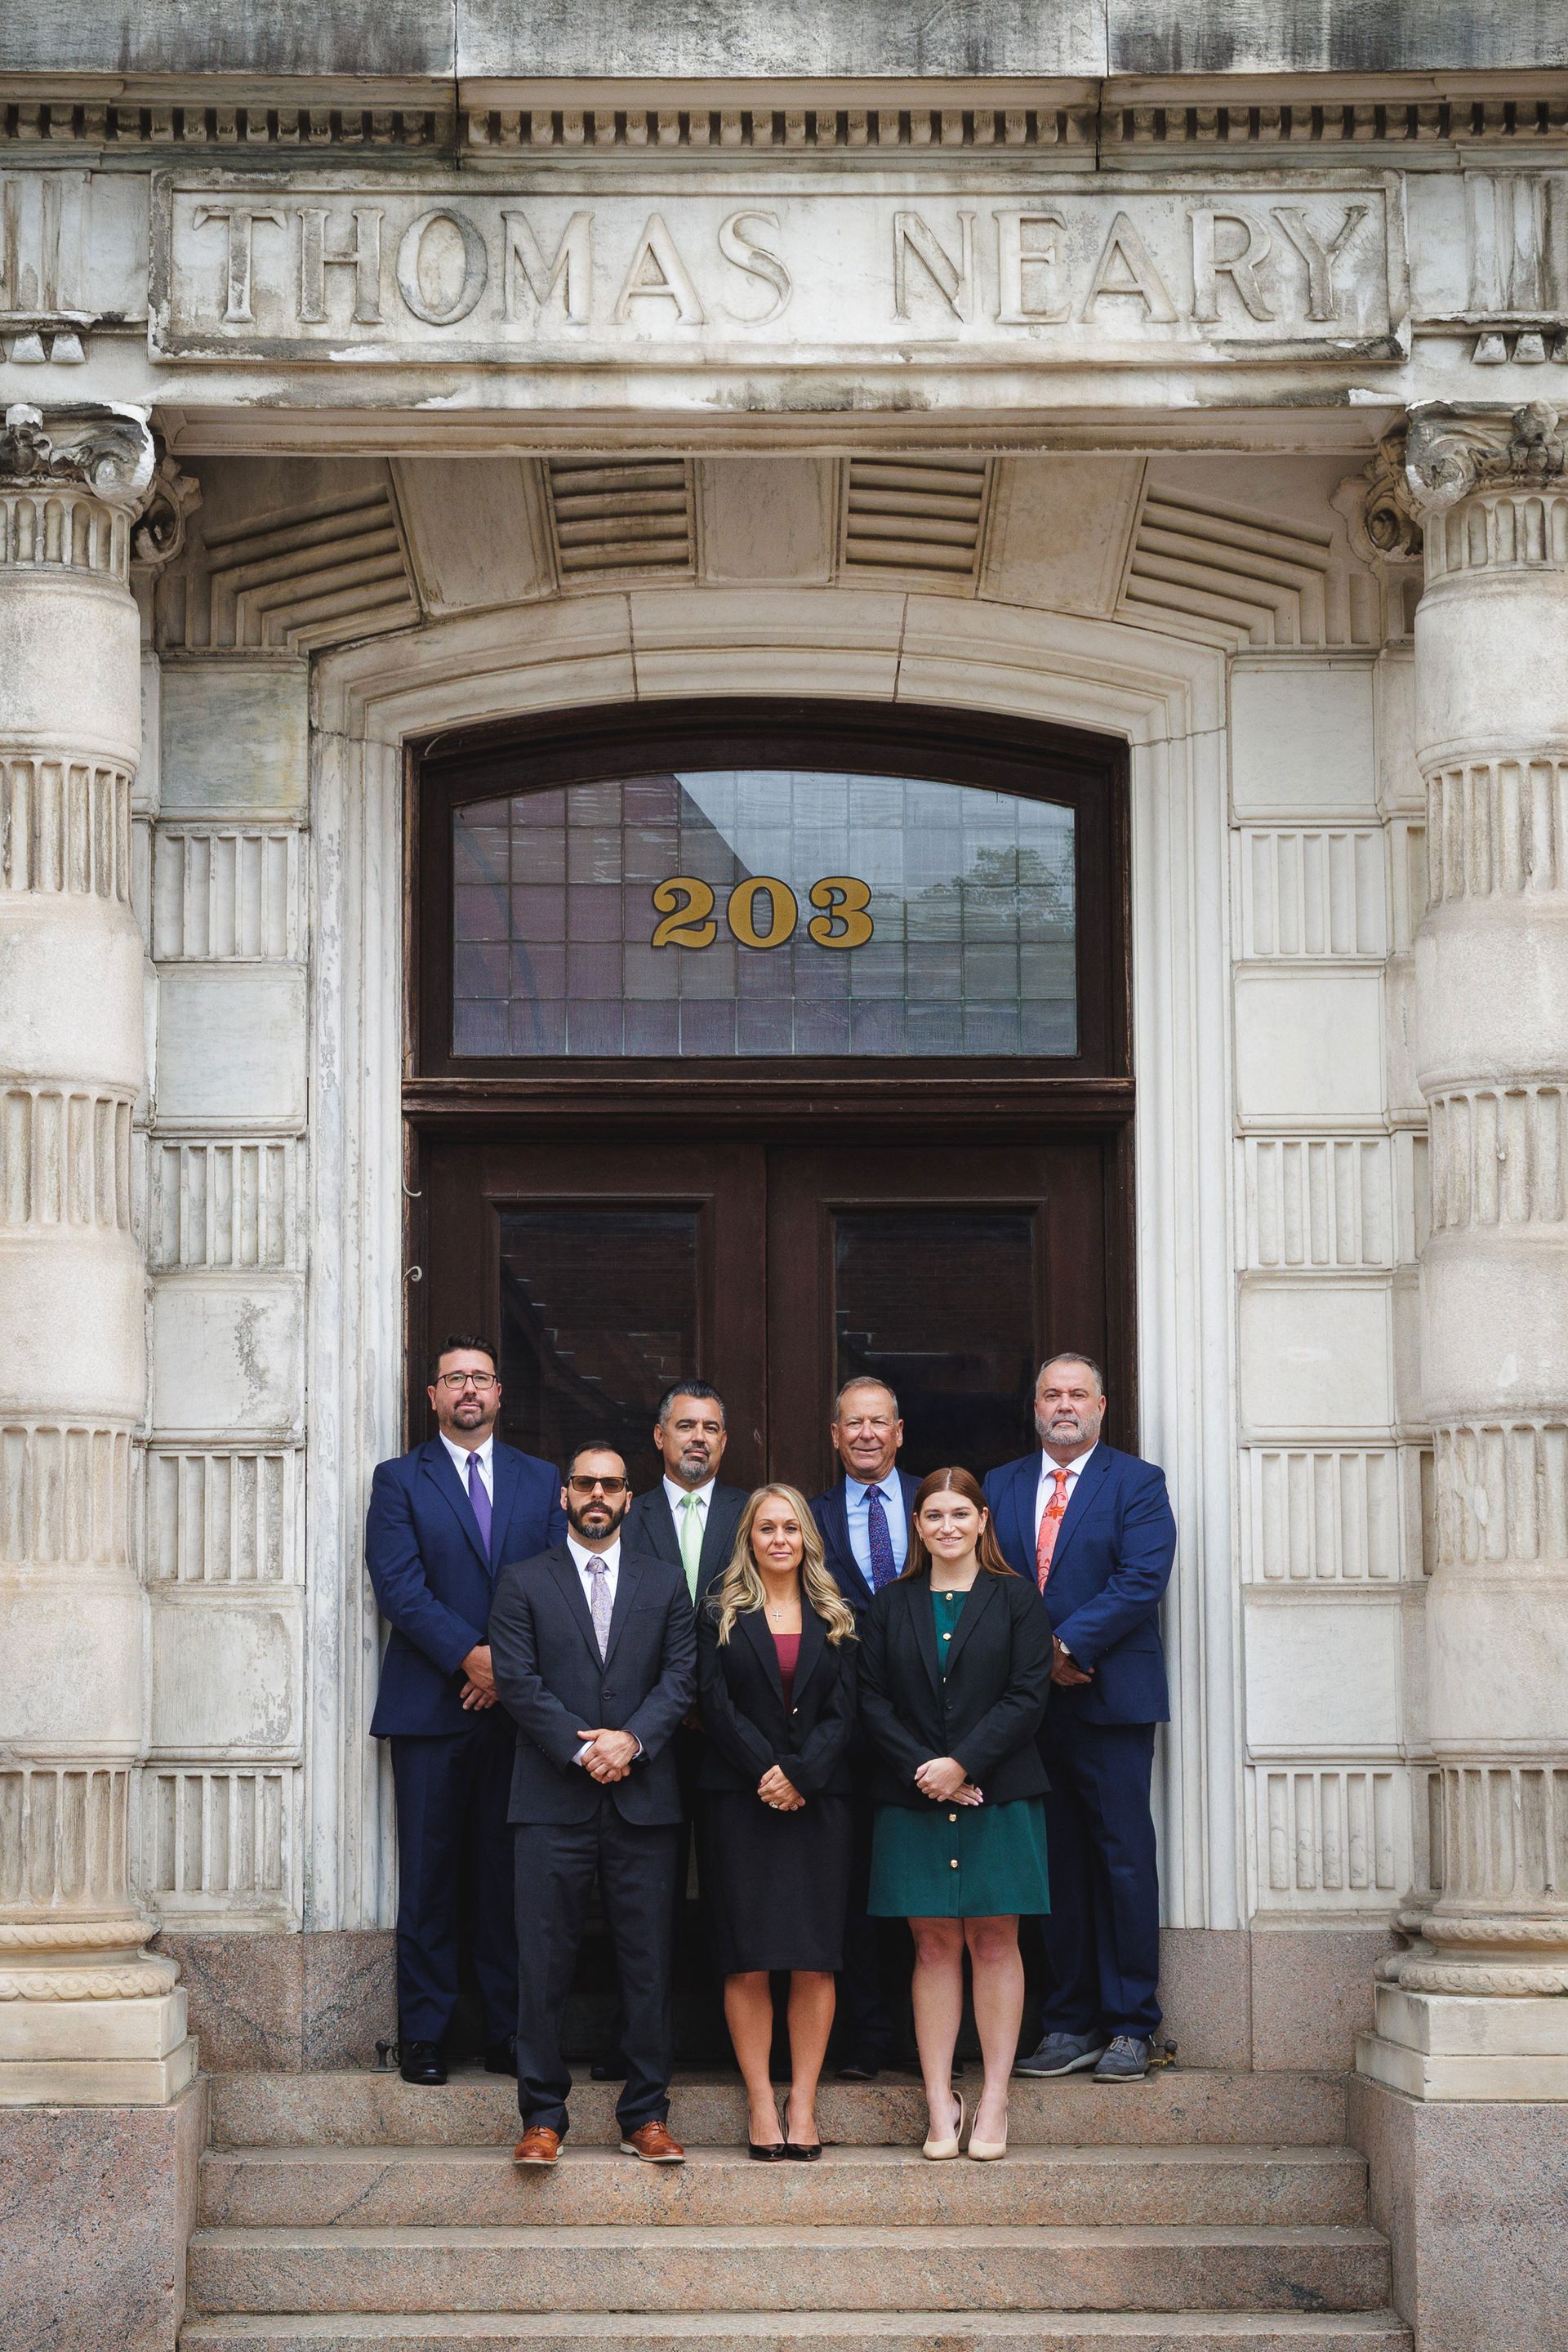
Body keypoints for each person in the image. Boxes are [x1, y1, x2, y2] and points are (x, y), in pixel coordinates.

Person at [364, 1334, 566, 2087]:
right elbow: (400, 1588)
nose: (469, 1390)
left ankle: (510, 2034)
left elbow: (552, 1582)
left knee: (507, 1879)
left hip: (516, 1717)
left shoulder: (540, 1477)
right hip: (429, 1709)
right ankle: (425, 2034)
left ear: (500, 1393)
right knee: (431, 1876)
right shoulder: (398, 1481)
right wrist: (470, 1657)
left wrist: (503, 1670)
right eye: (454, 1379)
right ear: (433, 1396)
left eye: (481, 1377)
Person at [488, 1444, 697, 2167]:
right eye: (586, 1484)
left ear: (629, 1497)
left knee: (649, 1964)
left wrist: (631, 1742)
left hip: (644, 1800)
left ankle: (646, 2115)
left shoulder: (668, 1584)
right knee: (543, 1964)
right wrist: (585, 1750)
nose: (598, 1494)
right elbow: (517, 1681)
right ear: (565, 1495)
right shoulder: (522, 1582)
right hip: (551, 1800)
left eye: (612, 1483)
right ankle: (542, 2118)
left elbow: (681, 1678)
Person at [984, 1354, 1177, 2085]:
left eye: (1077, 1394)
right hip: (1026, 1708)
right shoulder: (999, 1485)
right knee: (1053, 1862)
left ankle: (1132, 2024)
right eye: (1050, 1394)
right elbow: (991, 1580)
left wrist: (1065, 1645)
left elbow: (1140, 1580)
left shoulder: (1137, 1482)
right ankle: (1067, 2023)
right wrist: (1036, 1662)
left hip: (1109, 1698)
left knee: (1122, 1858)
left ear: (1101, 1404)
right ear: (1034, 1406)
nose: (1063, 1405)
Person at [858, 1468, 1053, 2163]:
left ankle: (994, 2095)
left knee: (997, 1941)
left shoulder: (1016, 1600)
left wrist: (963, 1765)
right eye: (933, 1515)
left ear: (982, 1521)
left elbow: (1029, 1696)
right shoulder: (890, 1604)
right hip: (913, 1795)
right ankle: (941, 2100)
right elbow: (872, 1701)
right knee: (934, 1944)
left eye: (959, 1514)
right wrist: (929, 1773)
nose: (946, 1526)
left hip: (999, 1794)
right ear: (918, 1526)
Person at [697, 1486, 858, 2158]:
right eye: (767, 1528)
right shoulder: (718, 1614)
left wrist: (802, 1774)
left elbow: (847, 1710)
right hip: (740, 1801)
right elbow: (712, 1701)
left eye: (791, 1527)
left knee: (814, 1959)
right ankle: (762, 2102)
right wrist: (770, 1770)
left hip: (820, 1805)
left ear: (808, 1538)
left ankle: (803, 2103)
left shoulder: (839, 1613)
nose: (780, 1539)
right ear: (749, 1539)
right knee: (750, 1959)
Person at [809, 1378, 921, 2080]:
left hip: (929, 1734)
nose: (866, 1435)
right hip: (844, 1736)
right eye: (853, 1424)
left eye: (879, 1422)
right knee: (849, 1891)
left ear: (899, 1431)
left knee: (921, 1887)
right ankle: (866, 2036)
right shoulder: (809, 1517)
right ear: (835, 1434)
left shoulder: (940, 1507)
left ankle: (924, 2039)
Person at [624, 1383, 749, 1608]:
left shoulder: (750, 1514)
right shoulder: (628, 1517)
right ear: (660, 1436)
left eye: (710, 1428)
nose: (699, 1437)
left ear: (723, 1441)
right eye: (686, 1426)